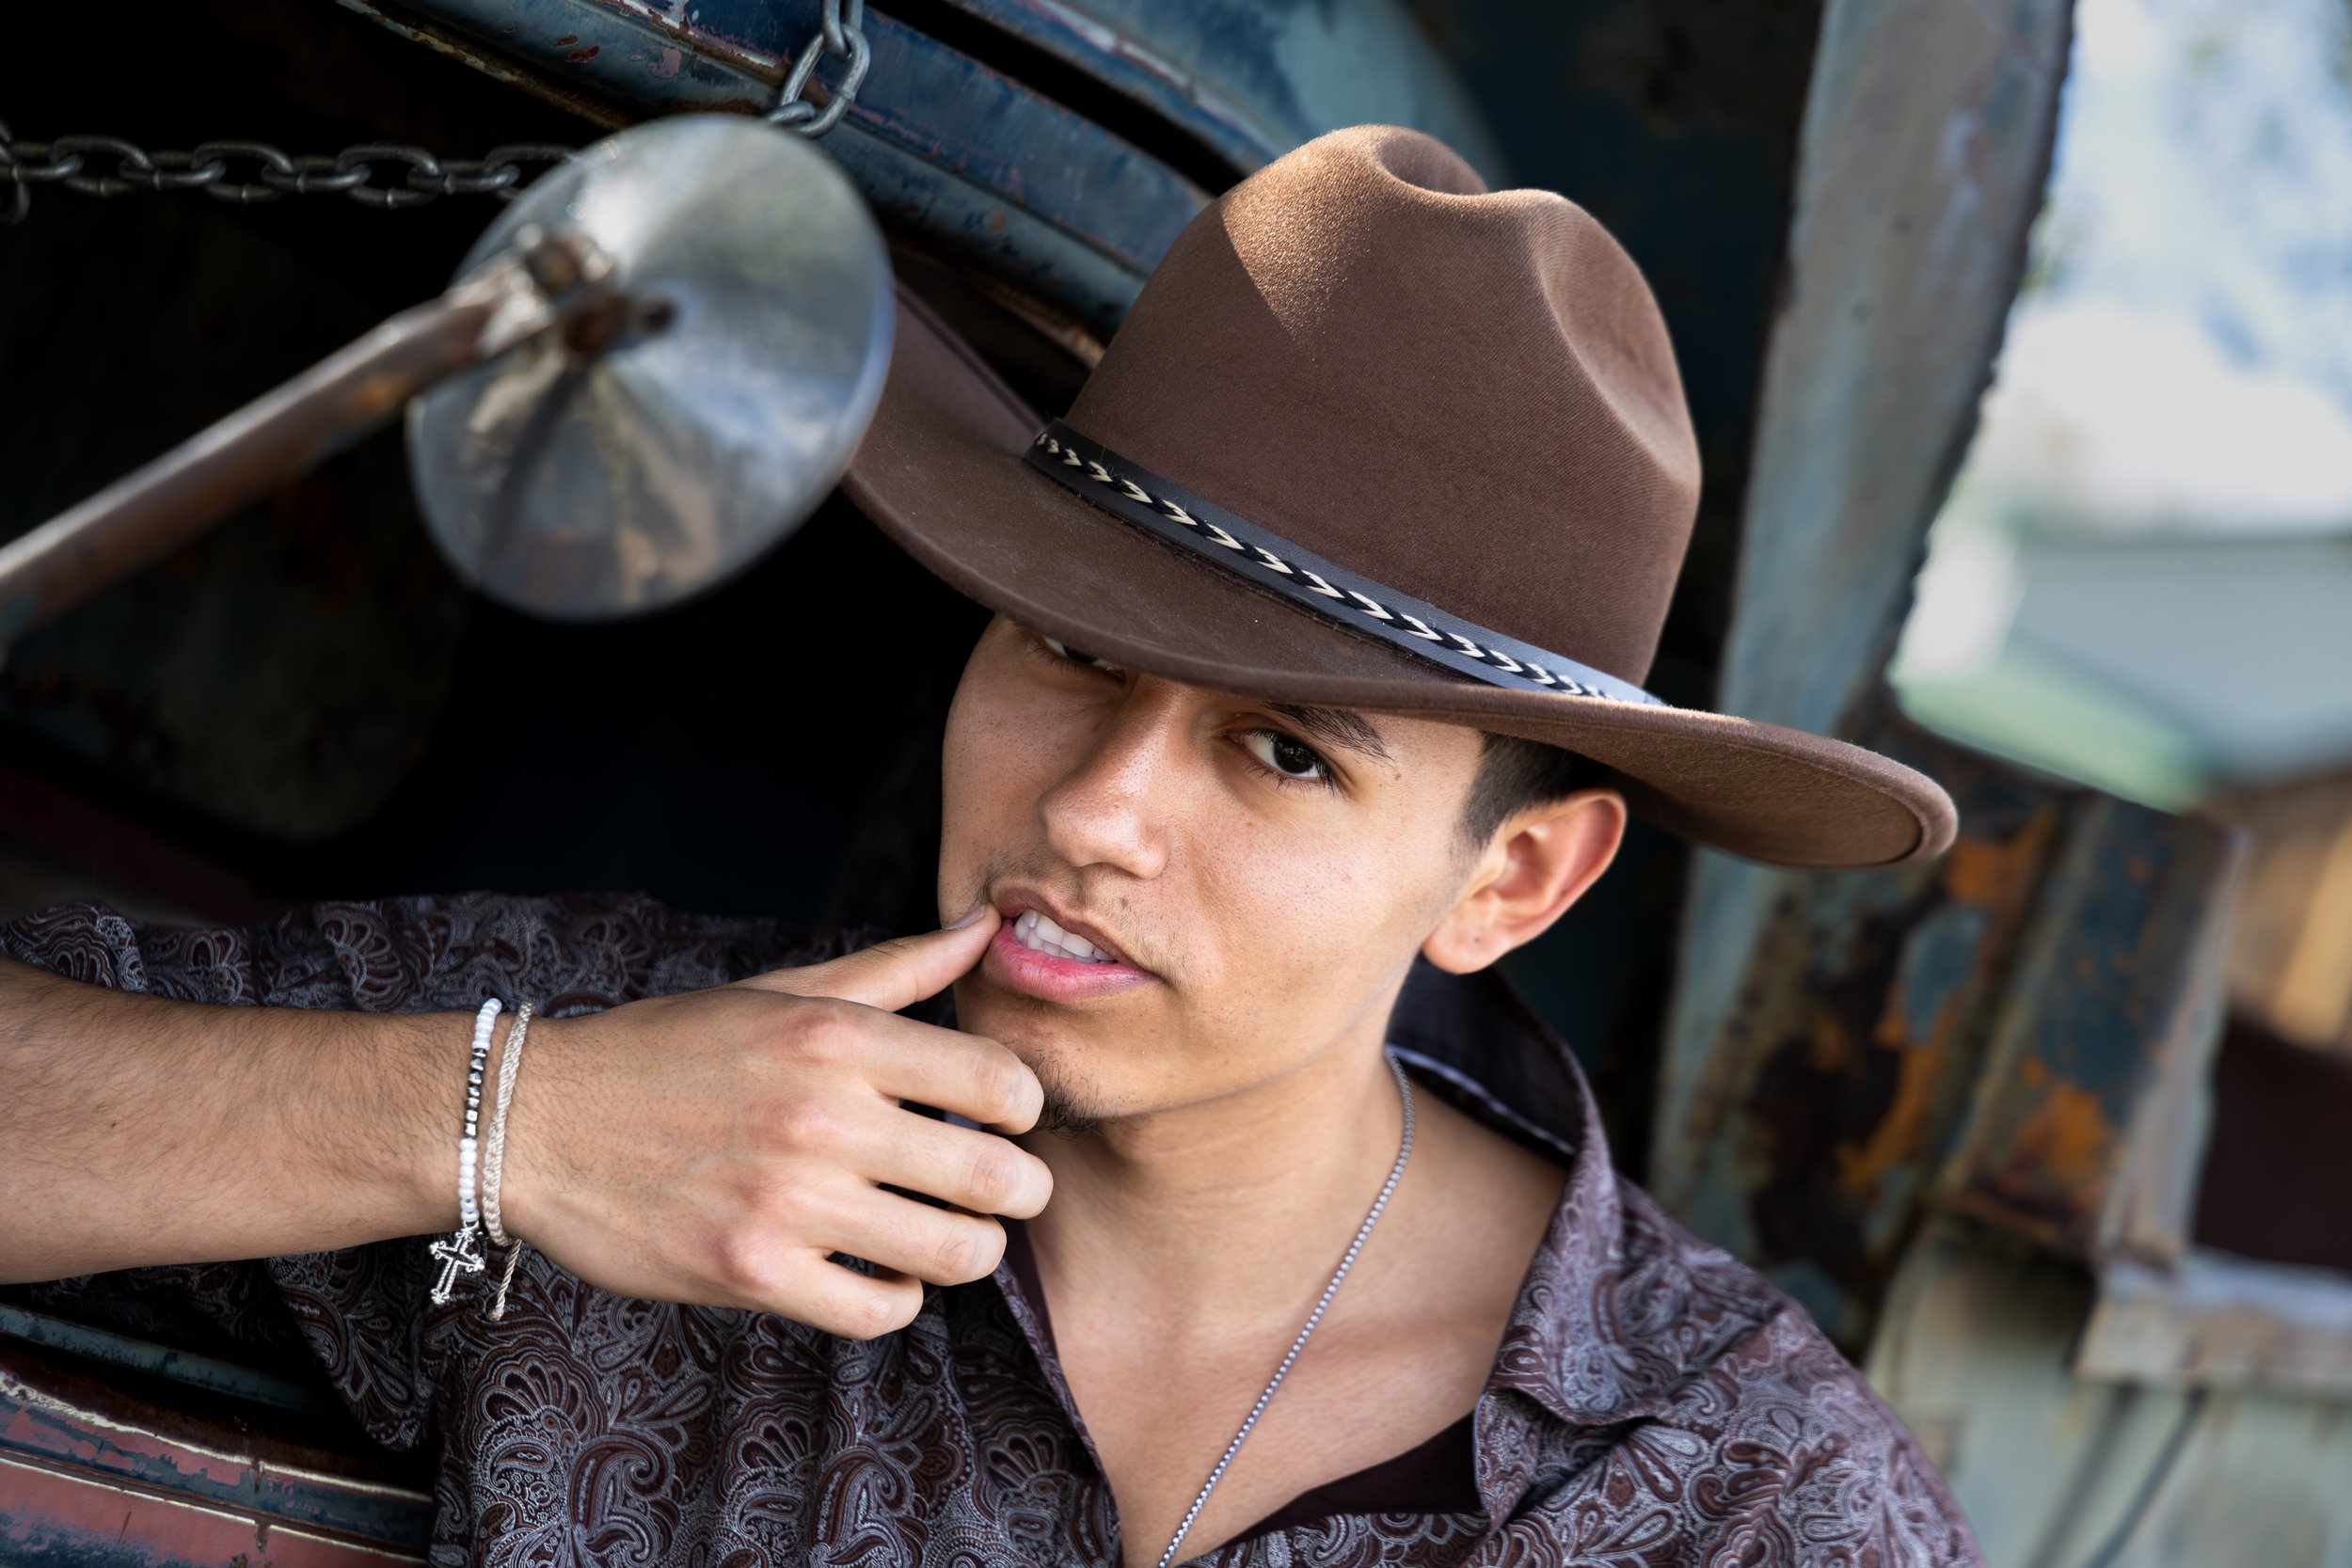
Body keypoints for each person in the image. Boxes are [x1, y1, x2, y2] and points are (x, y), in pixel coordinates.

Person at [0, 126, 1977, 1565]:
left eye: (1281, 754)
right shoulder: (621, 1054)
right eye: (1067, 650)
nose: (1096, 809)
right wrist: (509, 1123)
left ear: (1509, 880)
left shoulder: (1750, 1502)